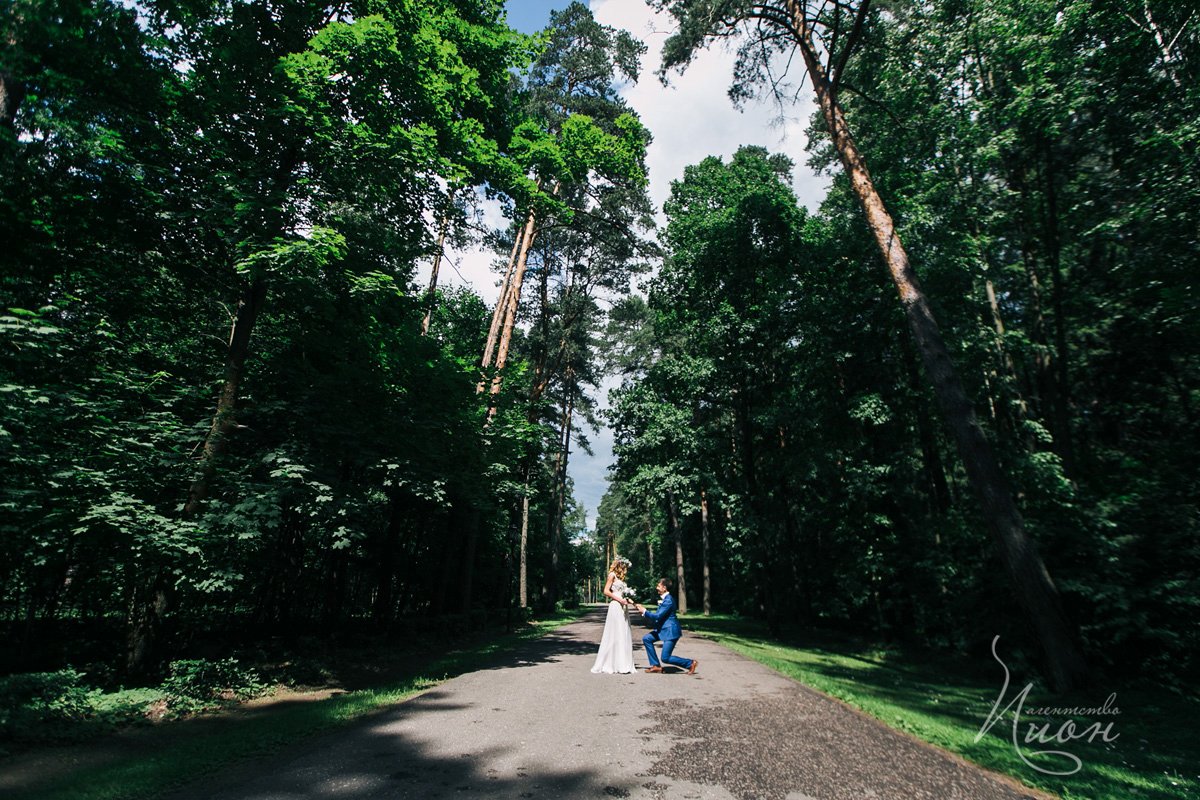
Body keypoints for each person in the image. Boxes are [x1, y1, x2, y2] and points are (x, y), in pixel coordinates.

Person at [635, 578, 698, 675]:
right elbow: (659, 616)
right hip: (663, 630)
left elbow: (658, 616)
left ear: (664, 588)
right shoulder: (665, 599)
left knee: (665, 658)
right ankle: (656, 666)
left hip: (670, 631)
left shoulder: (668, 600)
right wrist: (644, 611)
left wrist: (644, 611)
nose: (657, 588)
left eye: (658, 586)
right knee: (647, 639)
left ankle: (690, 663)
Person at [590, 556, 636, 674]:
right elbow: (606, 591)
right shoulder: (612, 575)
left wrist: (627, 599)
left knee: (623, 631)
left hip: (623, 606)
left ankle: (622, 662)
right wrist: (620, 600)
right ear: (620, 565)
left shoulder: (620, 578)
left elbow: (622, 592)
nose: (625, 569)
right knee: (616, 631)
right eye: (624, 566)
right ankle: (611, 662)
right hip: (615, 605)